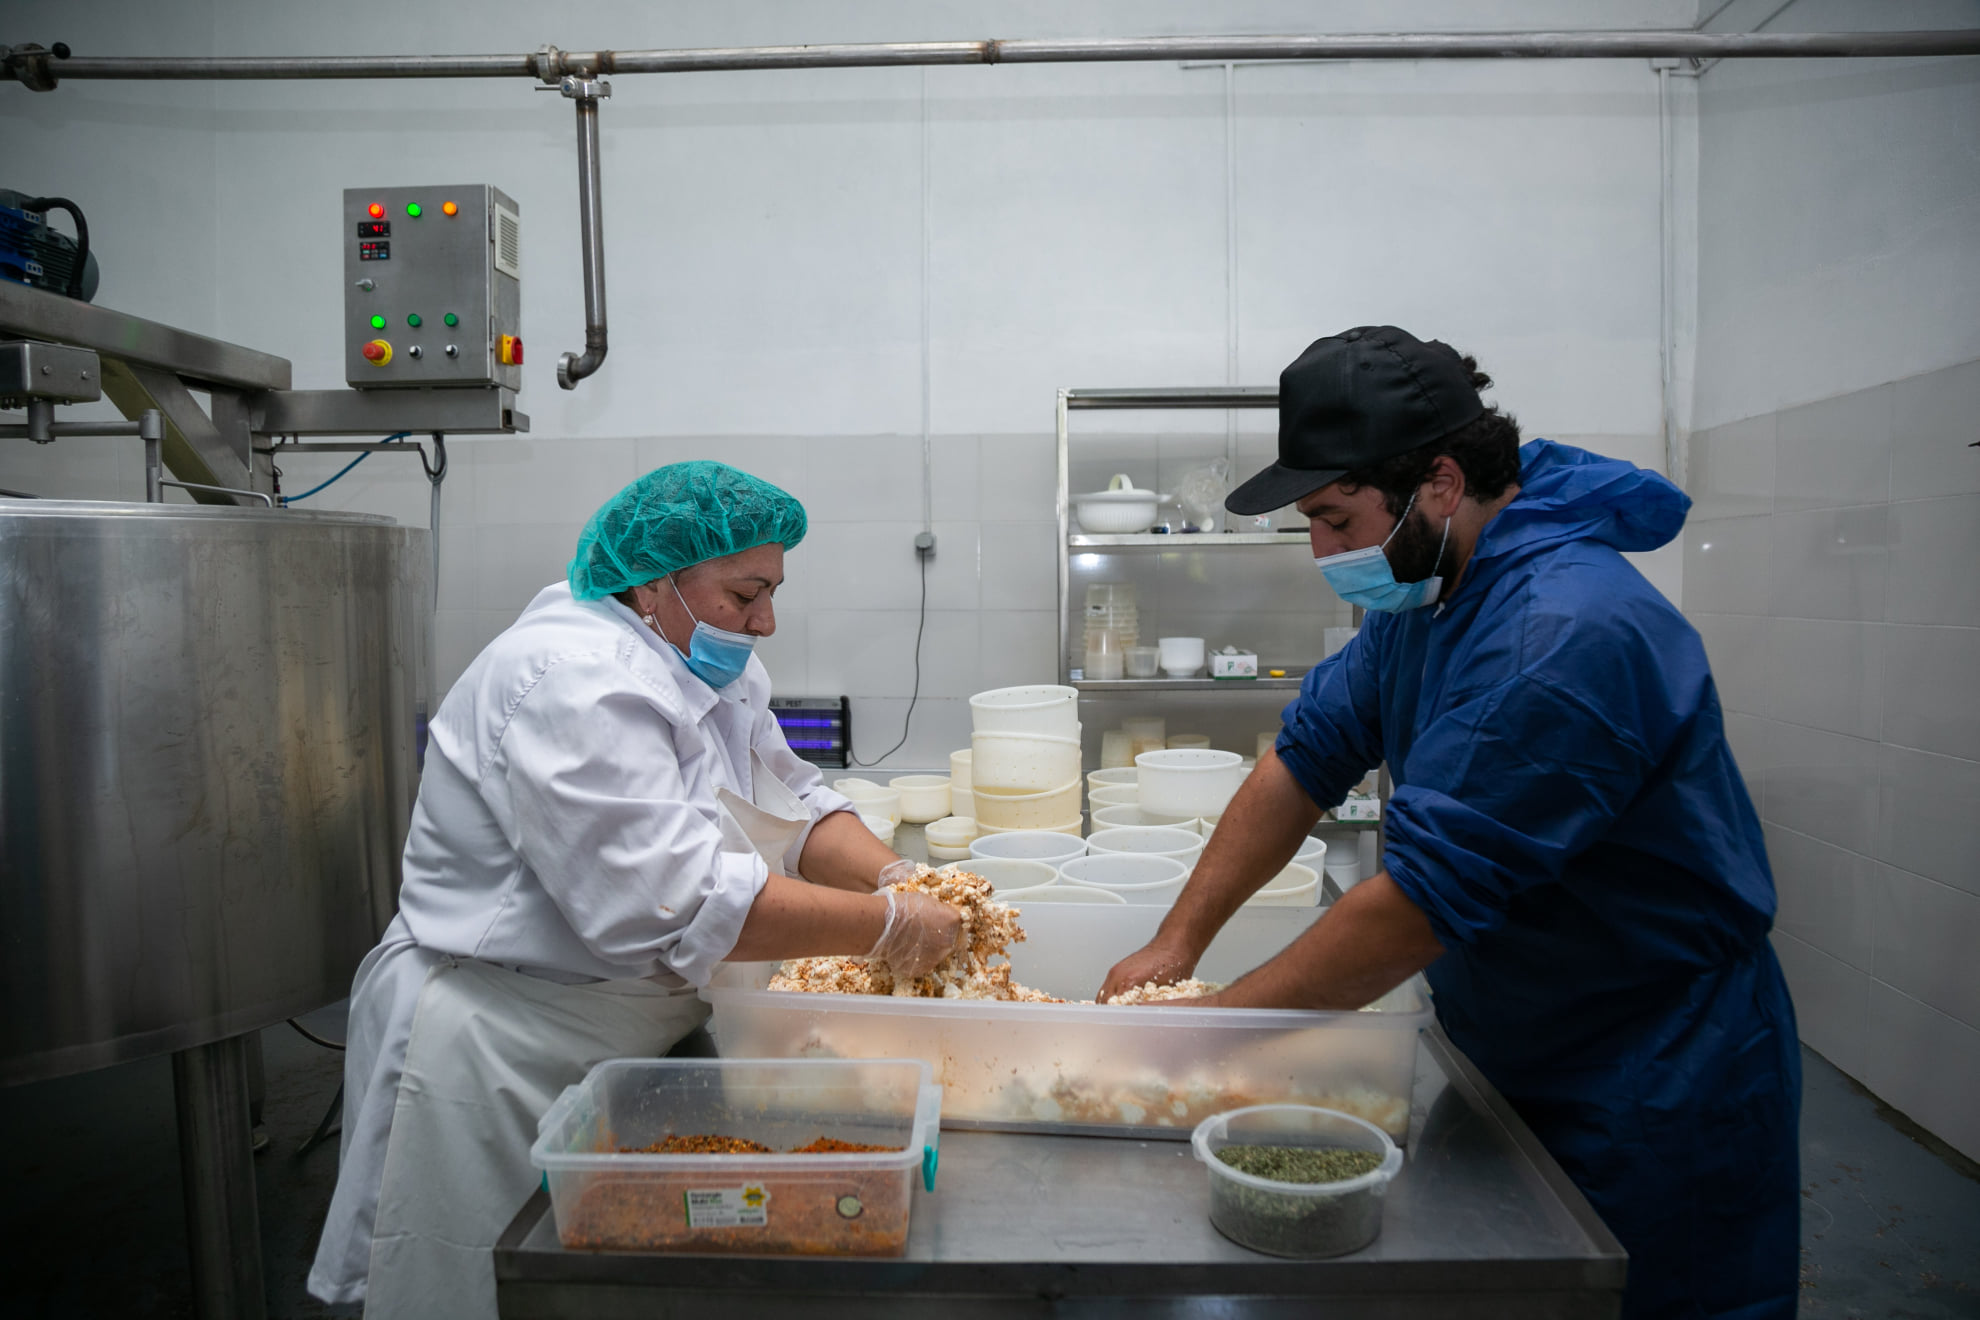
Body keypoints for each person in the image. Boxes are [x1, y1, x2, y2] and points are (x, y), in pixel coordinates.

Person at [1100, 327, 1800, 1319]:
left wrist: (1214, 1036)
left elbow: (1415, 906)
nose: (1322, 551)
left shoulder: (1559, 632)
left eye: (1335, 518)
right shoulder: (1428, 598)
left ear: (1438, 482)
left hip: (1650, 1068)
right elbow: (1304, 758)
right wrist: (1176, 946)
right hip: (1509, 1029)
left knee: (1636, 1298)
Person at [308, 461, 960, 1318]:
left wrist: (895, 874)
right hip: (508, 1041)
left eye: (772, 591)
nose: (765, 620)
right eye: (746, 593)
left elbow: (794, 800)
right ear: (655, 584)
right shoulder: (572, 682)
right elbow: (675, 902)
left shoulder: (709, 665)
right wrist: (886, 926)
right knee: (487, 1284)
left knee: (612, 1274)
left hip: (631, 1027)